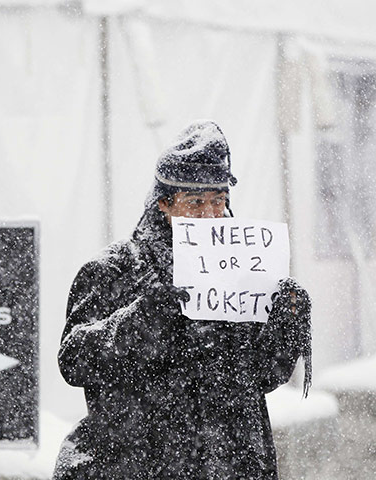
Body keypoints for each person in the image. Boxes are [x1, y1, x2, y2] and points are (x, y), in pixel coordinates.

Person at [53, 120, 312, 479]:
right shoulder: (115, 271)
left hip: (229, 466)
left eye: (218, 201)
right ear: (164, 203)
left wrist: (285, 325)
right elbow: (74, 361)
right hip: (139, 467)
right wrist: (142, 320)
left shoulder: (242, 274)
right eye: (194, 202)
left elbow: (259, 377)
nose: (209, 215)